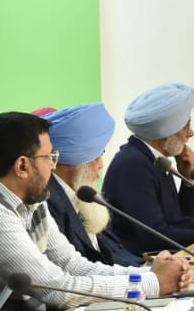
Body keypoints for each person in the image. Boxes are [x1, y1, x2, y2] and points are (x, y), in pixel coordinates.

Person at [0, 112, 190, 311]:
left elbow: (72, 265)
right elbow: (57, 289)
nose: (54, 166)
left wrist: (147, 274)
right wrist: (153, 284)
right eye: (49, 157)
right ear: (23, 166)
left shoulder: (26, 198)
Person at [103, 83, 194, 254]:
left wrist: (188, 180)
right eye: (186, 126)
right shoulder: (134, 164)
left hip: (166, 256)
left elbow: (183, 222)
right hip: (142, 263)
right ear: (166, 130)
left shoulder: (154, 159)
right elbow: (155, 237)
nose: (191, 133)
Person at [42, 103, 142, 267]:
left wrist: (149, 271)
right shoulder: (49, 204)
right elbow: (76, 270)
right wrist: (149, 276)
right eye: (96, 156)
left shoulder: (81, 196)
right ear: (76, 158)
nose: (100, 165)